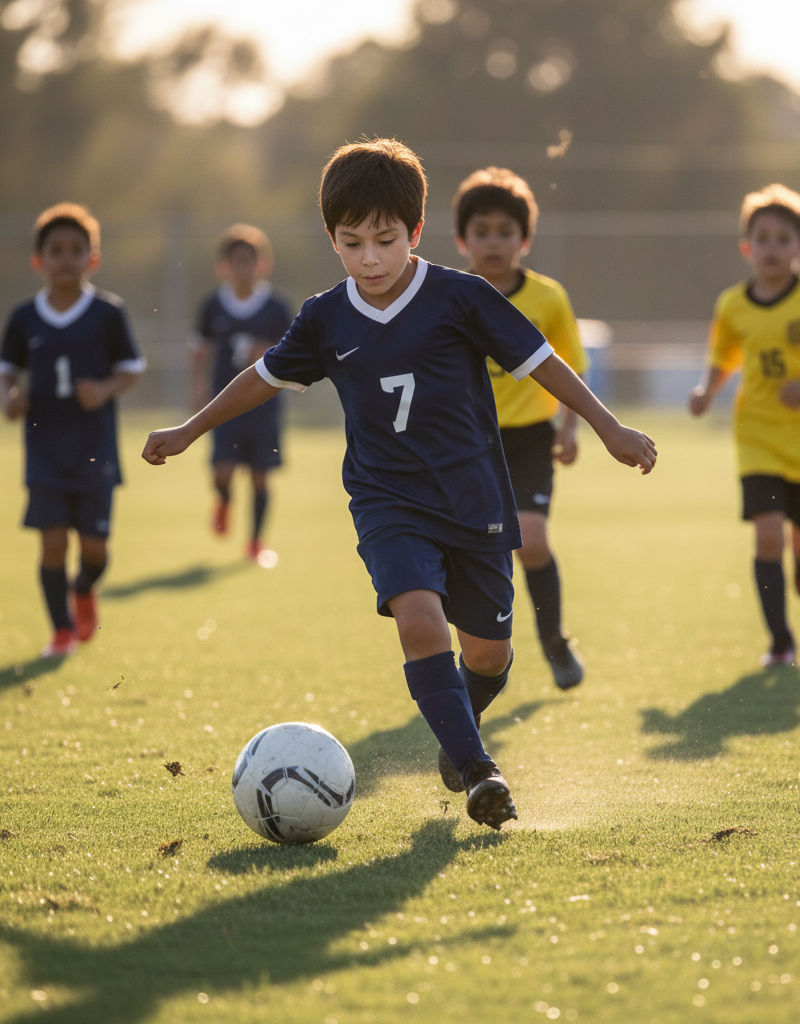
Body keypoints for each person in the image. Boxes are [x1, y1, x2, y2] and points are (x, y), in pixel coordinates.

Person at [142, 139, 656, 830]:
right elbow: (261, 377)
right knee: (419, 623)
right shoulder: (326, 317)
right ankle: (479, 771)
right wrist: (190, 429)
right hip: (388, 500)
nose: (370, 259)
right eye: (352, 243)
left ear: (414, 232)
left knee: (490, 655)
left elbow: (541, 360)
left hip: (473, 498)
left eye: (385, 240)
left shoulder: (460, 296)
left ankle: (460, 730)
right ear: (333, 241)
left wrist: (608, 427)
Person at [688, 184, 800, 666]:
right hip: (758, 437)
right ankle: (780, 642)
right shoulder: (732, 305)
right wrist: (707, 391)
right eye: (762, 238)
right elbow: (721, 358)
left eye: (783, 239)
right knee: (768, 537)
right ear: (747, 247)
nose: (771, 247)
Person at [453, 166, 588, 691]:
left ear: (524, 240)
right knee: (473, 551)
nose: (493, 242)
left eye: (505, 232)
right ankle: (480, 664)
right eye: (482, 231)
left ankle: (553, 641)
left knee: (530, 542)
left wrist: (571, 428)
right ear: (463, 238)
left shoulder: (548, 298)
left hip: (530, 436)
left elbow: (570, 368)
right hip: (466, 441)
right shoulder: (451, 295)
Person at [0, 202, 144, 657]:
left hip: (94, 450)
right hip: (44, 450)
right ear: (38, 260)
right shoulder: (24, 316)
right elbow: (7, 368)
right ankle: (61, 632)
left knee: (95, 550)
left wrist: (103, 389)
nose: (65, 258)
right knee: (54, 542)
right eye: (55, 250)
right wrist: (11, 397)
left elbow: (132, 368)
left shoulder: (107, 313)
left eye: (76, 250)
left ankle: (84, 590)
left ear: (92, 258)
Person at [190, 225, 293, 564]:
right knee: (222, 471)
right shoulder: (213, 305)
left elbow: (293, 353)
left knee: (261, 476)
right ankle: (224, 500)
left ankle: (255, 543)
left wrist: (267, 351)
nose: (243, 268)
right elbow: (200, 348)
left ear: (262, 264)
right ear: (224, 266)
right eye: (236, 261)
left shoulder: (277, 307)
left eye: (249, 261)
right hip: (225, 405)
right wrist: (199, 385)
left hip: (265, 405)